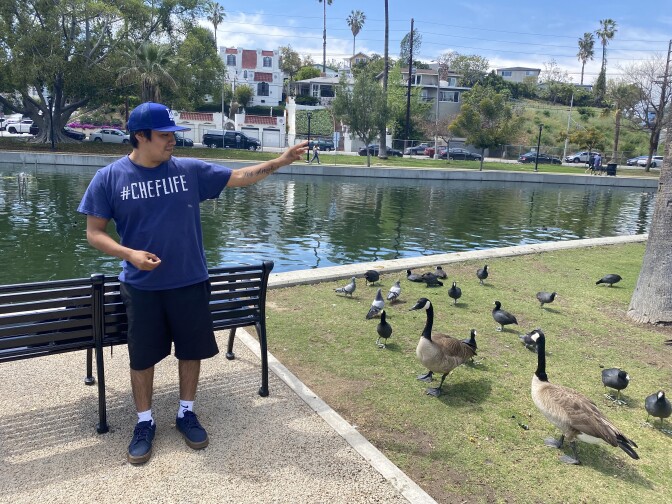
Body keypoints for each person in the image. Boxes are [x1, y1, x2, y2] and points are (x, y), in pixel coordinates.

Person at [77, 102, 308, 465]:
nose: (173, 141)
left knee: (191, 350)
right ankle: (144, 422)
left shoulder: (188, 171)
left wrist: (280, 162)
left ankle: (186, 412)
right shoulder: (109, 178)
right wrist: (129, 254)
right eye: (165, 135)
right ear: (141, 136)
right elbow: (94, 233)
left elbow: (239, 177)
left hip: (190, 282)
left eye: (173, 134)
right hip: (142, 287)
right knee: (143, 358)